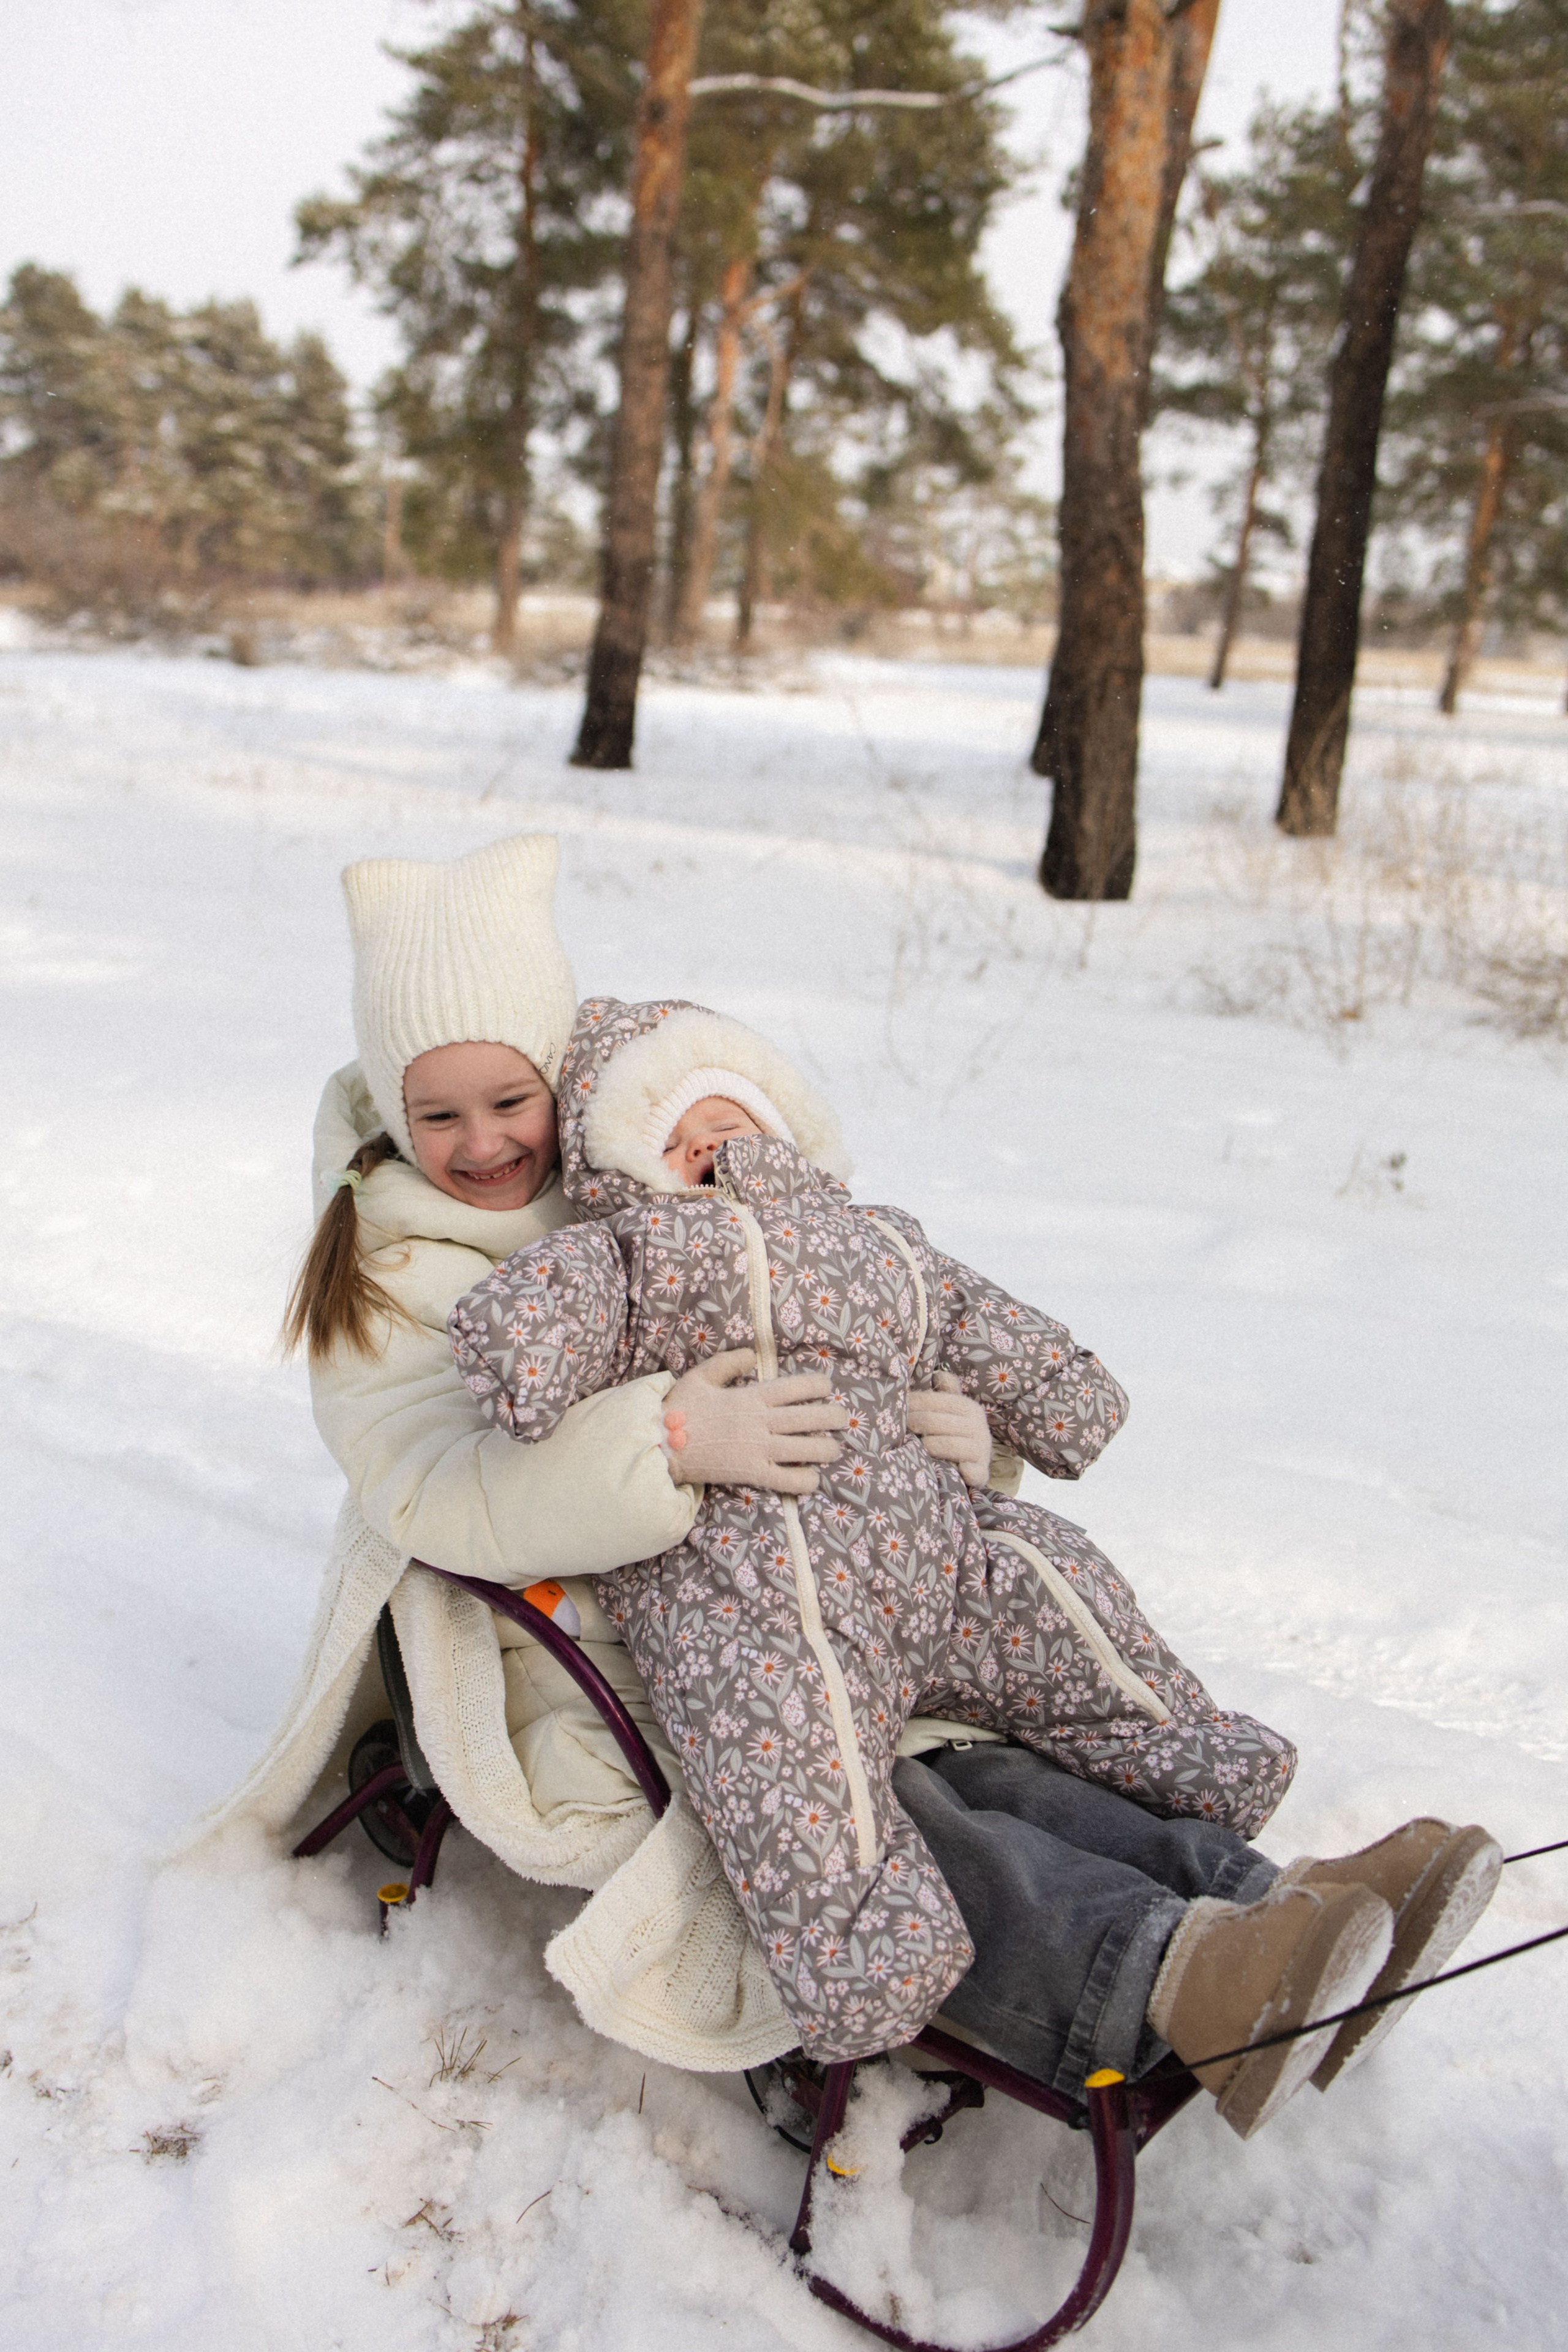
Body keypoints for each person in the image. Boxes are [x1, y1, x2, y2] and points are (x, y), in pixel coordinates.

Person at [451, 996, 1503, 2138]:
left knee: (1059, 1598)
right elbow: (506, 1382)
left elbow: (969, 1314)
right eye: (673, 1135)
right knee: (813, 1768)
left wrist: (1006, 1421)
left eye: (729, 1118)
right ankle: (968, 1961)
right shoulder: (632, 1249)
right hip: (759, 1586)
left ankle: (1274, 1902)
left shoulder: (880, 1240)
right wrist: (652, 1421)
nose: (709, 1147)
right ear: (616, 1160)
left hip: (925, 1554)